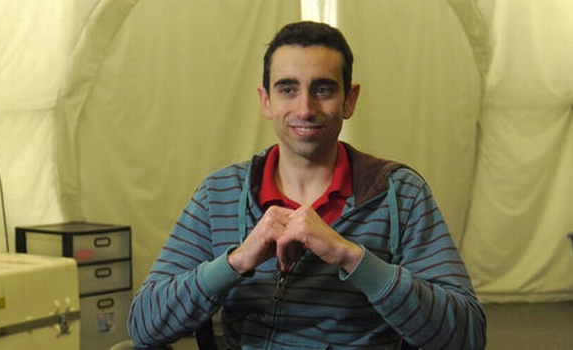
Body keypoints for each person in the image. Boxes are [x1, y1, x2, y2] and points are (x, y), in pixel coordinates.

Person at [128, 21, 486, 349]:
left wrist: (350, 256)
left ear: (350, 100)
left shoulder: (401, 195)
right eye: (287, 89)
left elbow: (466, 334)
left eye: (323, 89)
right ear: (266, 101)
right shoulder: (219, 194)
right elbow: (144, 325)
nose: (305, 108)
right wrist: (238, 261)